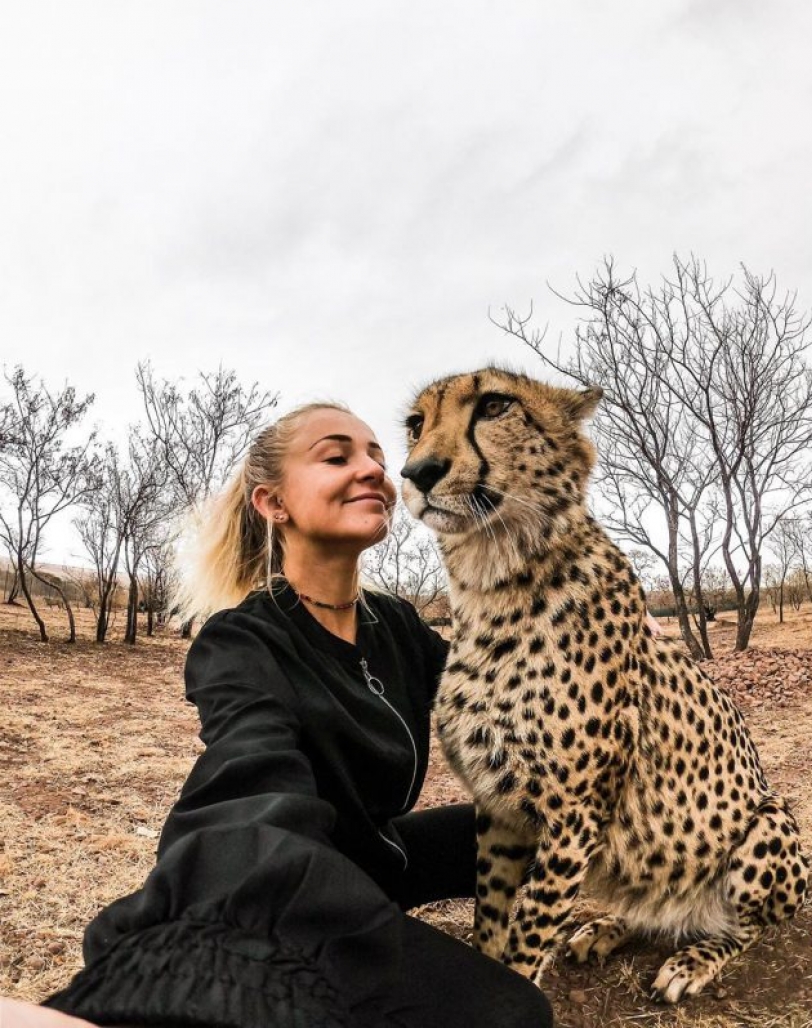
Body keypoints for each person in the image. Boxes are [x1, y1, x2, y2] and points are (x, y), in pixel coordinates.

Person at [41, 402, 553, 1028]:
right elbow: (249, 773)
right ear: (273, 504)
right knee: (512, 1014)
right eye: (337, 457)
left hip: (383, 858)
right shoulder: (241, 640)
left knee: (544, 830)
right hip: (298, 881)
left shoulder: (396, 625)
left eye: (379, 459)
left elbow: (501, 694)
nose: (373, 471)